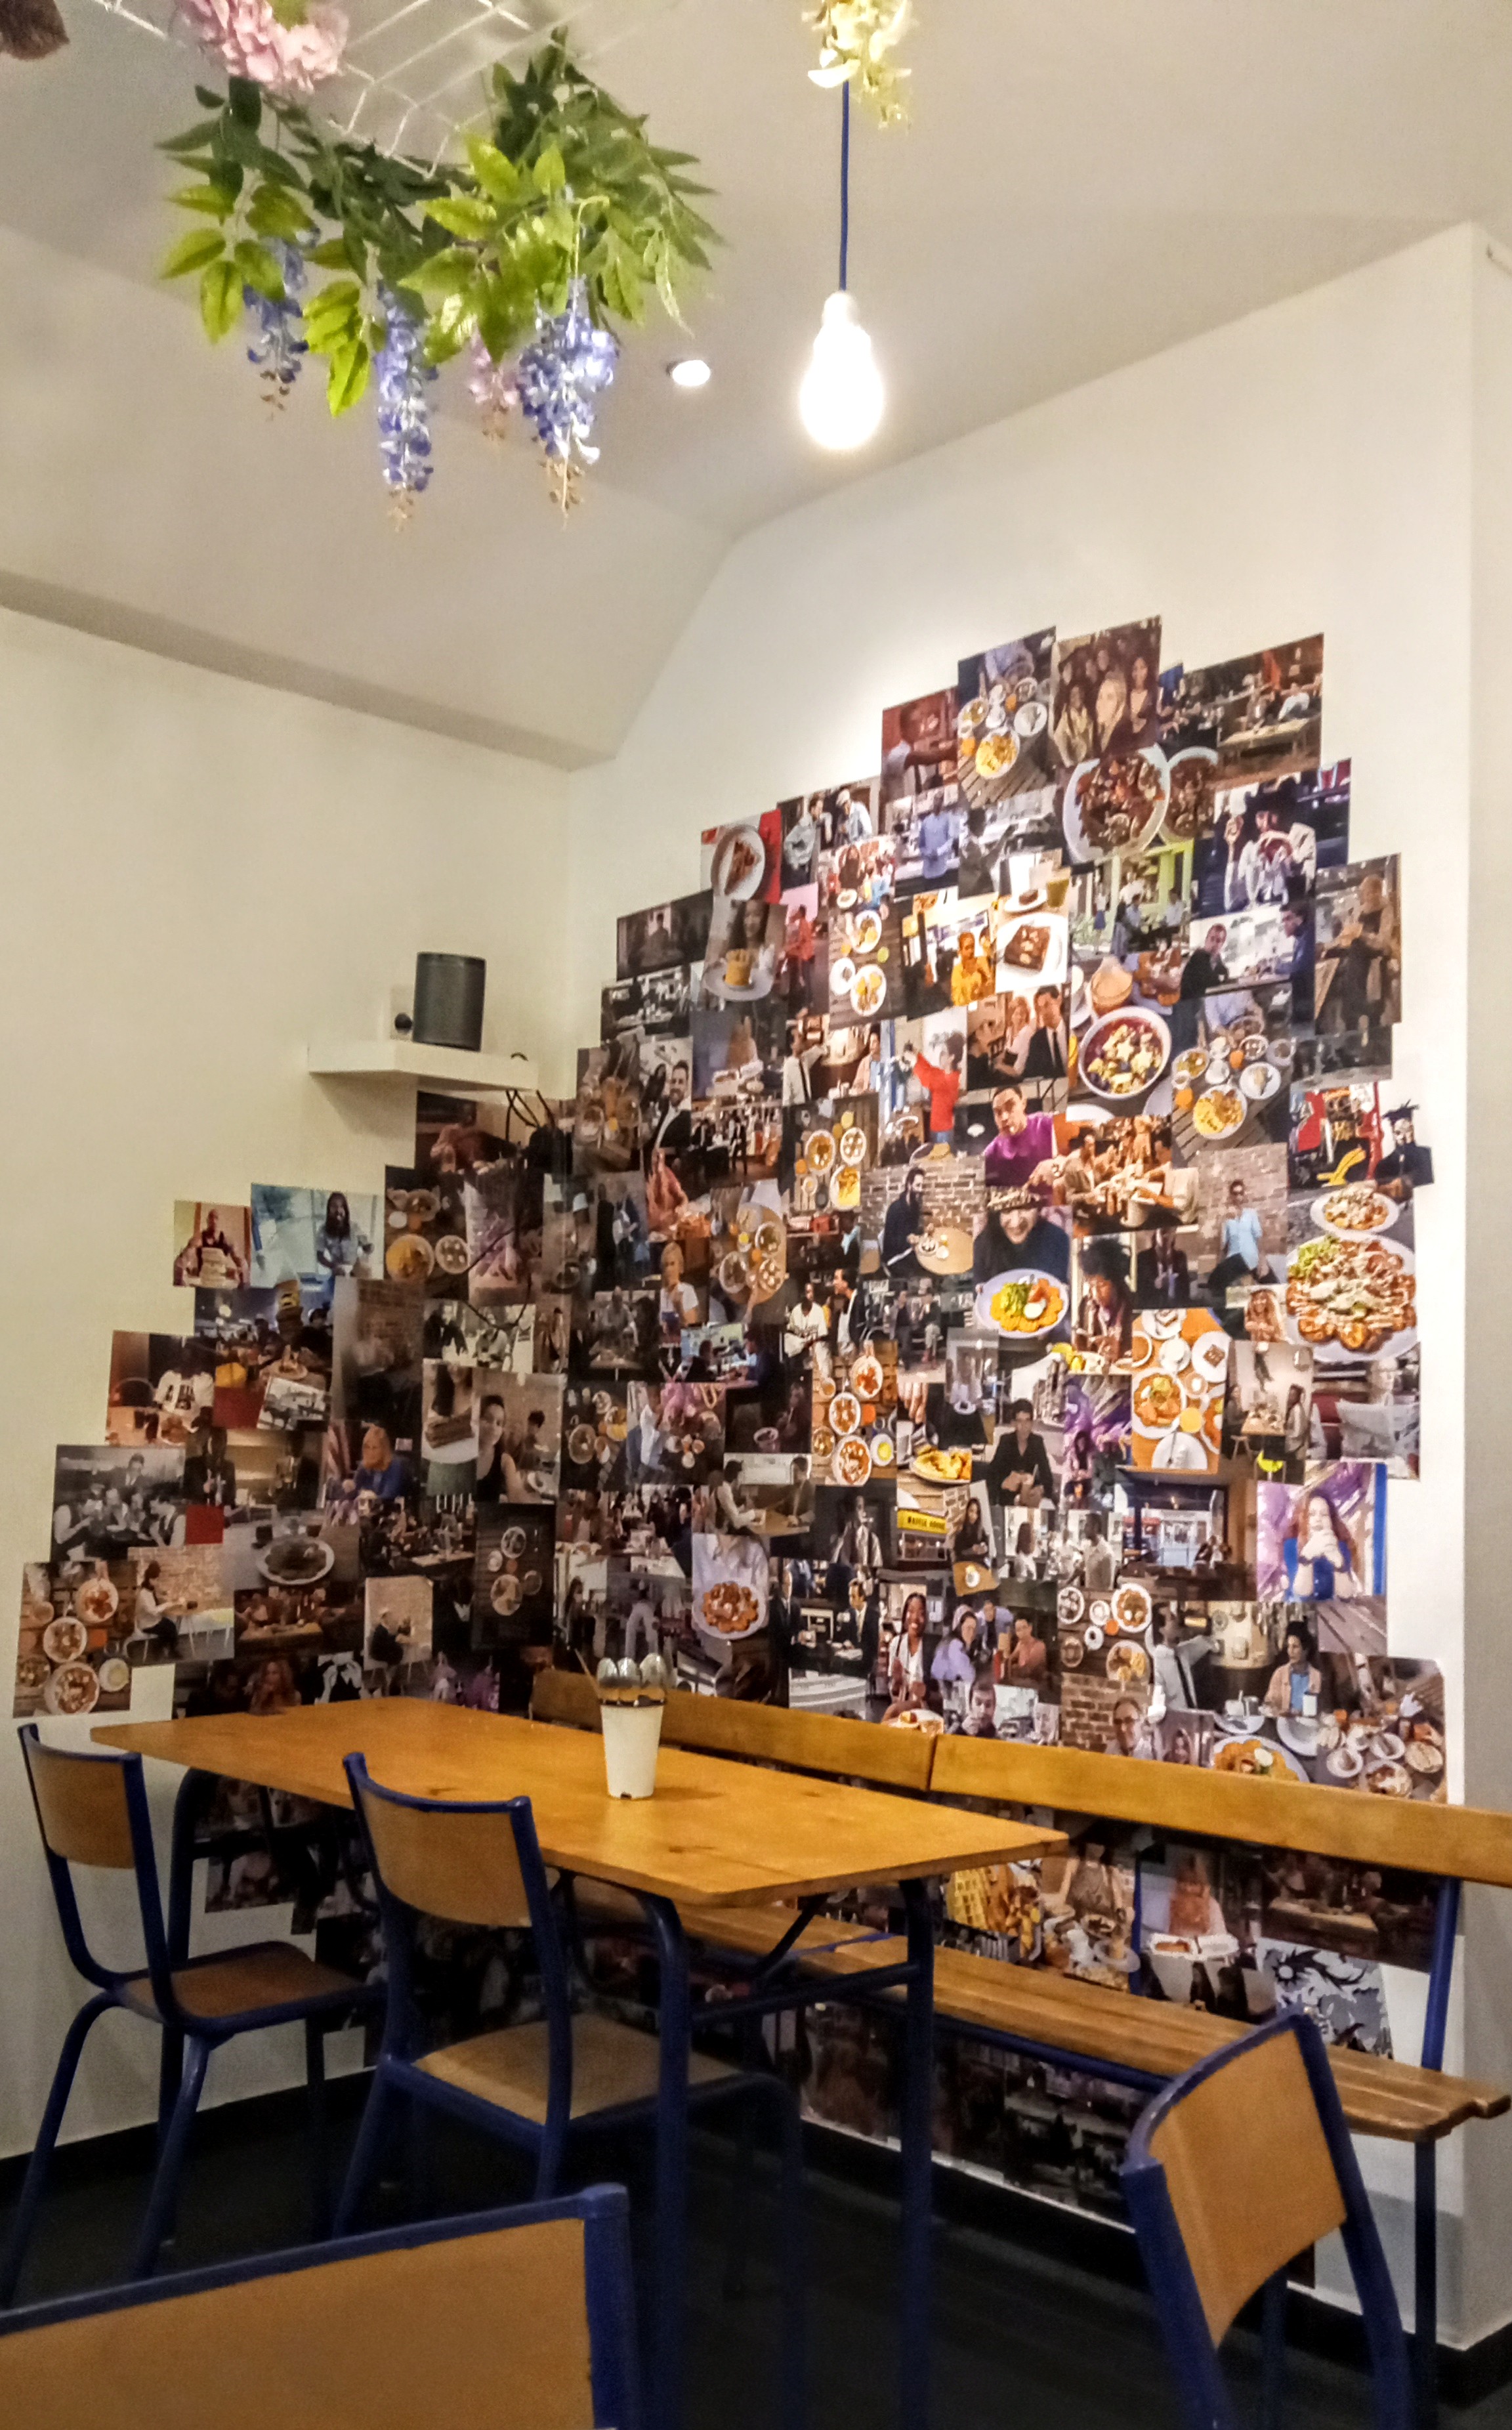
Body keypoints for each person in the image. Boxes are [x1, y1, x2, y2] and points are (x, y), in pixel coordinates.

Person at [972, 1191, 1071, 1287]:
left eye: (1026, 1208)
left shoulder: (1058, 1239)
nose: (1016, 1223)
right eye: (1007, 1211)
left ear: (1039, 1210)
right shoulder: (982, 1245)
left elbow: (1059, 1286)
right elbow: (979, 1286)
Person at [1284, 1489, 1360, 1598]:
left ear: (1331, 1521)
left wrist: (1339, 1564)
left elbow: (1346, 1595)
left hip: (1329, 1608)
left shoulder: (1342, 1547)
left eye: (1324, 1515)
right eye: (1312, 1514)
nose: (1318, 1519)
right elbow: (1302, 1593)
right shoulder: (1291, 1546)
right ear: (1303, 1519)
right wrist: (1306, 1558)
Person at [981, 1085, 1057, 1190]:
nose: (1004, 1118)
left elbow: (1078, 1151)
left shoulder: (1048, 1123)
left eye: (1010, 1107)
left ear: (1023, 1103)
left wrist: (1057, 1165)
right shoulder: (994, 1150)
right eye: (998, 1112)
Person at [983, 1399, 1056, 1506]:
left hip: (1029, 1498)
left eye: (1027, 1421)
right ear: (1014, 1423)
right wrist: (1004, 1483)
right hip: (1008, 1500)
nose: (1024, 1426)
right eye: (1020, 1421)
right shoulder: (1006, 1441)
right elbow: (992, 1473)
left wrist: (1041, 1489)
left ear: (1032, 1423)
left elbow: (1048, 1477)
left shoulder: (1037, 1442)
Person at [1208, 1178, 1267, 1298]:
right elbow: (1222, 1246)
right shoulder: (1227, 1218)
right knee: (1228, 1294)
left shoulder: (1251, 1214)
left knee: (1255, 1293)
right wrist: (1218, 1268)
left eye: (1241, 1193)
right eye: (1235, 1194)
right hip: (1234, 1262)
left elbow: (1259, 1238)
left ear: (1244, 1195)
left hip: (1251, 1260)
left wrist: (1263, 1262)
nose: (1238, 1197)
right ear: (1231, 1196)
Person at [1152, 1607, 1214, 1711]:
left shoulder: (1181, 1651)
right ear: (1162, 1630)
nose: (1177, 1620)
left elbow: (1208, 1642)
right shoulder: (1159, 1662)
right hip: (1178, 1717)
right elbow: (1158, 1703)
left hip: (1195, 1712)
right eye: (1172, 1618)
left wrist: (1192, 1626)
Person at [904, 1033, 963, 1139]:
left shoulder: (949, 1080)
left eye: (944, 1053)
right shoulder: (946, 1074)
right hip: (939, 1127)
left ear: (951, 1057)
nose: (941, 1055)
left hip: (943, 1131)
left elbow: (927, 1077)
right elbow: (929, 1070)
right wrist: (917, 1055)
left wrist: (914, 1062)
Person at [1264, 1619, 1324, 1716]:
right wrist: (1279, 1712)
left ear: (1306, 1650)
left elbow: (1323, 1709)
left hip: (1309, 1723)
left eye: (1295, 1647)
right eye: (1289, 1646)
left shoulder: (1317, 1677)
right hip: (1284, 1723)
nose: (1290, 1651)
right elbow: (1269, 1703)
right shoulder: (1280, 1674)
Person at [1134, 1216, 1191, 1307]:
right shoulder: (1143, 1257)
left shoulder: (1180, 1257)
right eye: (1162, 1232)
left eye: (1169, 1232)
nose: (1166, 1236)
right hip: (1152, 1307)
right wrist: (1156, 1284)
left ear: (1174, 1235)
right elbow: (1140, 1291)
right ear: (1156, 1234)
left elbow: (1185, 1291)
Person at [881, 1169, 928, 1279]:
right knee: (918, 1278)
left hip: (910, 1252)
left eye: (922, 1186)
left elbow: (913, 1231)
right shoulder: (895, 1209)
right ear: (909, 1185)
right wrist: (907, 1239)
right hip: (895, 1258)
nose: (920, 1190)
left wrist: (924, 1230)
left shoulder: (915, 1207)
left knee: (930, 1266)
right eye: (918, 1185)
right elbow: (889, 1242)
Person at [316, 1192, 371, 1281]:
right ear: (329, 1210)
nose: (338, 1210)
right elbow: (319, 1256)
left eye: (342, 1207)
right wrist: (333, 1266)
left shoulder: (354, 1227)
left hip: (356, 1272)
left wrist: (366, 1252)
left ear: (346, 1210)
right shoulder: (323, 1230)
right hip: (336, 1273)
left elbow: (368, 1247)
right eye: (334, 1206)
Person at [1018, 985, 1068, 1079]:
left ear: (1059, 1001)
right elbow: (1030, 1074)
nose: (1044, 1013)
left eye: (1047, 1005)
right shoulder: (1036, 1041)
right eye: (1041, 1008)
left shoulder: (1072, 1028)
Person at [354, 1423, 411, 1503]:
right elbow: (354, 1490)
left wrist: (369, 1498)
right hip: (369, 1507)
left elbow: (388, 1496)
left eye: (375, 1448)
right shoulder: (364, 1465)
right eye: (367, 1447)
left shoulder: (396, 1465)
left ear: (384, 1449)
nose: (371, 1452)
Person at [783, 1279, 830, 1369]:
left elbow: (823, 1335)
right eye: (808, 1292)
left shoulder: (821, 1310)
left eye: (812, 1292)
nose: (810, 1295)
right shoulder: (798, 1312)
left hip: (817, 1354)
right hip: (802, 1356)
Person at [931, 1608, 982, 1690]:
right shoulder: (955, 1645)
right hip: (941, 1691)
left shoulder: (952, 1640)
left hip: (943, 1687)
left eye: (974, 1629)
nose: (972, 1633)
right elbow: (970, 1676)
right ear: (960, 1627)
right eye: (968, 1628)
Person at [659, 1241, 701, 1329]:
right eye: (666, 1265)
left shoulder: (688, 1290)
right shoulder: (662, 1293)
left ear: (680, 1267)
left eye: (672, 1264)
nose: (669, 1270)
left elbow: (691, 1327)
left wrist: (679, 1307)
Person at [999, 1611, 1049, 1685]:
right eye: (1018, 1630)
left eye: (1024, 1628)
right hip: (1020, 1683)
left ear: (1030, 1628)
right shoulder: (1020, 1644)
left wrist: (1014, 1668)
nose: (1022, 1632)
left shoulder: (1039, 1645)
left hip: (1035, 1685)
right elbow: (1009, 1660)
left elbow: (1028, 1670)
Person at [1106, 1694, 1155, 1759]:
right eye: (1118, 1722)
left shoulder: (1153, 1754)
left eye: (1129, 1721)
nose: (1123, 1729)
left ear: (1141, 1722)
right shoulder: (1111, 1750)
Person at [1081, 1514, 1116, 1593]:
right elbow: (1081, 1567)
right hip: (1088, 1596)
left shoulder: (1107, 1554)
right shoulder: (1087, 1548)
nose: (1084, 1529)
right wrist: (1067, 1583)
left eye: (1087, 1525)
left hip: (1099, 1598)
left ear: (1096, 1527)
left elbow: (1107, 1587)